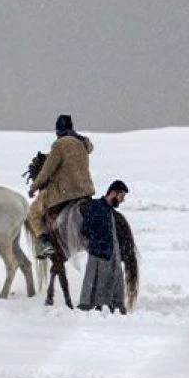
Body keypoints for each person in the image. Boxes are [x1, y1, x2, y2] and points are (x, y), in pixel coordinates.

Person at [28, 114, 95, 258]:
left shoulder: (59, 145)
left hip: (65, 192)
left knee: (33, 212)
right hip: (85, 190)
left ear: (58, 130)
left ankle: (45, 244)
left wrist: (34, 187)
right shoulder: (82, 143)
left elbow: (47, 170)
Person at [77, 180, 130, 313]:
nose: (122, 200)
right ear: (112, 193)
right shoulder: (97, 207)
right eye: (121, 196)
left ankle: (114, 308)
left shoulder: (109, 211)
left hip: (112, 255)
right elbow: (85, 229)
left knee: (115, 284)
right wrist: (99, 244)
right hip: (99, 256)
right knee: (96, 287)